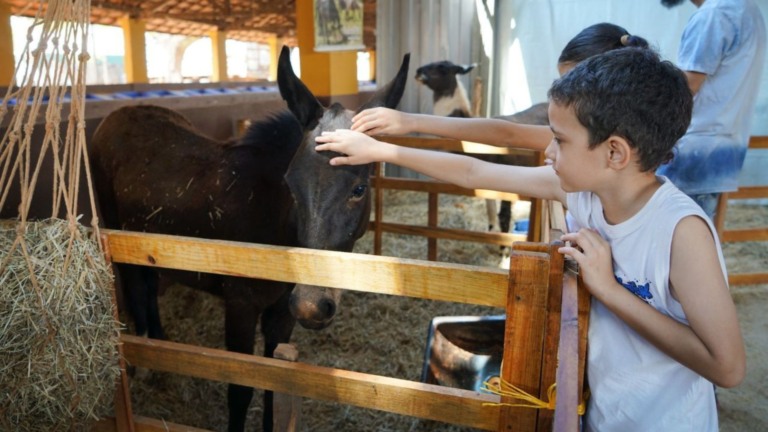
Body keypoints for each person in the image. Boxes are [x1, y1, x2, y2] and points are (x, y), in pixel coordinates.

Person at [316, 48, 745, 431]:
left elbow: (727, 368)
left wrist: (609, 291)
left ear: (614, 153)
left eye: (559, 140)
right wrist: (385, 149)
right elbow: (474, 173)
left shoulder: (682, 234)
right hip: (601, 412)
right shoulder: (584, 193)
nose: (547, 151)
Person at [349, 23, 650, 152]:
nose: (559, 95)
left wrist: (409, 123)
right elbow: (493, 143)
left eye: (572, 86)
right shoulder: (573, 142)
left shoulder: (581, 148)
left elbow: (505, 134)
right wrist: (406, 124)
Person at [658, 0, 766, 218]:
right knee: (698, 231)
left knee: (676, 234)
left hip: (692, 150)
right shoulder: (747, 9)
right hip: (723, 148)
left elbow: (687, 86)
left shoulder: (714, 14)